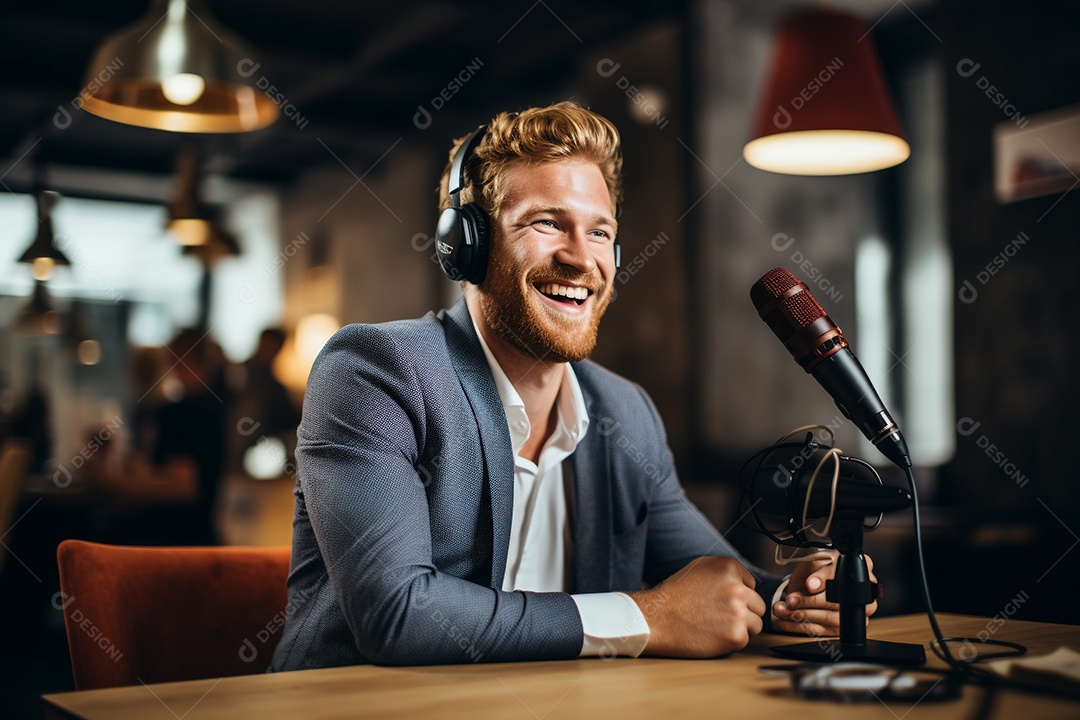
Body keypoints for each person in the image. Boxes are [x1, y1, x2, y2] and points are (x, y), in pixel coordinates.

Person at [270, 102, 875, 670]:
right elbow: (397, 614)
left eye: (601, 232)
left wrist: (797, 599)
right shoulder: (375, 371)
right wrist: (648, 617)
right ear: (467, 247)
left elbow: (715, 584)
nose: (582, 258)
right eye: (546, 224)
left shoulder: (624, 411)